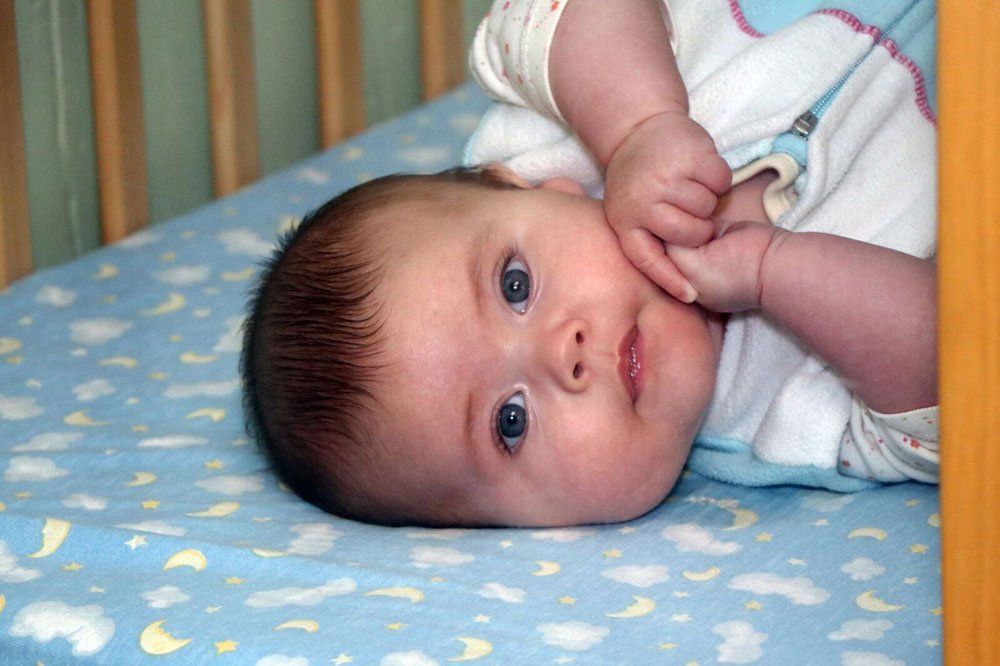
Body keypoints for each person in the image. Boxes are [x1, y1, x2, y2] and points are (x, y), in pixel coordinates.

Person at [240, 0, 939, 528]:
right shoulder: (783, 424)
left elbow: (547, 15)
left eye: (515, 285)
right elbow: (956, 376)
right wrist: (775, 271)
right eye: (509, 423)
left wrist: (638, 125)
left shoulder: (561, 126)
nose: (562, 354)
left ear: (519, 185)